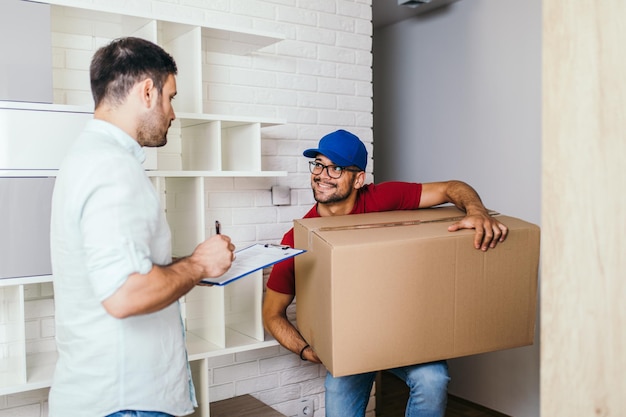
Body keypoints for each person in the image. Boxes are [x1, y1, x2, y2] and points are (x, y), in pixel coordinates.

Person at [262, 129, 508, 417]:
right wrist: (306, 350)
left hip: (402, 329)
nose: (322, 174)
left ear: (358, 179)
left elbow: (451, 187)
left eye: (335, 168)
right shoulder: (298, 239)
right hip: (349, 344)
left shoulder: (381, 199)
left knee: (433, 379)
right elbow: (271, 313)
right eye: (318, 164)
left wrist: (476, 211)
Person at [49, 37, 235, 417]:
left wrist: (191, 264)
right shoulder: (112, 168)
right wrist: (198, 265)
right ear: (147, 92)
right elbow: (125, 294)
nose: (172, 113)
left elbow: (123, 269)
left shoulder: (89, 158)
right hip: (126, 403)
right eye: (170, 97)